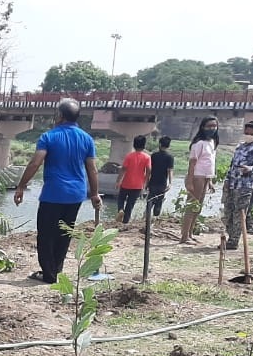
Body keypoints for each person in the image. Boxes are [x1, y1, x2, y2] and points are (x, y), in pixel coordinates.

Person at [13, 98, 101, 284]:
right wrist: (94, 193)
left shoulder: (49, 137)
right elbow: (92, 169)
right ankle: (56, 271)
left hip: (53, 194)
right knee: (64, 233)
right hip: (76, 194)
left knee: (46, 234)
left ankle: (48, 274)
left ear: (60, 116)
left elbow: (35, 162)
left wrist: (21, 186)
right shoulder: (86, 139)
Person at [222, 121, 253, 250]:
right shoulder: (240, 146)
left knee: (239, 213)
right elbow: (232, 165)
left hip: (245, 185)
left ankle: (234, 241)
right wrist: (227, 180)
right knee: (227, 211)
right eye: (246, 133)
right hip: (232, 184)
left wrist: (250, 169)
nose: (248, 135)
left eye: (251, 134)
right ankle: (230, 236)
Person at [180, 116, 220, 244]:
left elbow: (209, 163)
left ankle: (190, 233)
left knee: (198, 207)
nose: (212, 128)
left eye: (214, 126)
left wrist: (210, 181)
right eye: (209, 126)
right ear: (203, 127)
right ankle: (184, 236)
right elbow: (192, 163)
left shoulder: (212, 142)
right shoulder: (199, 143)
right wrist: (190, 181)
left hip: (205, 178)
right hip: (197, 177)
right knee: (191, 206)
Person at [116, 135, 151, 224]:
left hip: (126, 183)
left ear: (134, 145)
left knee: (121, 199)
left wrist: (118, 181)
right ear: (144, 145)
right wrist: (145, 182)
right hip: (137, 185)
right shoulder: (147, 157)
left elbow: (123, 169)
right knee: (130, 204)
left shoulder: (129, 156)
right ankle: (125, 222)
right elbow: (149, 170)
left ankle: (120, 210)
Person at [148, 135, 175, 217]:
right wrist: (170, 183)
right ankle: (155, 219)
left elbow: (149, 170)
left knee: (150, 201)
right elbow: (170, 170)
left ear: (160, 144)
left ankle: (146, 219)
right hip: (162, 184)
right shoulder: (170, 157)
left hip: (152, 182)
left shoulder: (153, 155)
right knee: (159, 202)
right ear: (168, 145)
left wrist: (146, 182)